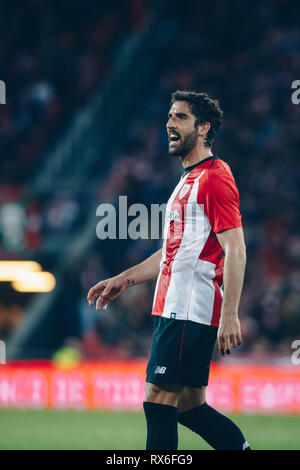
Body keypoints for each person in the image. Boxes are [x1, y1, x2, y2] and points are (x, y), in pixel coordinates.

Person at [87, 90, 251, 450]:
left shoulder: (214, 176)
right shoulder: (186, 182)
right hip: (173, 305)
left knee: (158, 397)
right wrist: (124, 279)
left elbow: (235, 247)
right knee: (190, 407)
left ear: (203, 128)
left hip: (189, 306)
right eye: (169, 117)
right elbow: (172, 253)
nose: (169, 124)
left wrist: (230, 314)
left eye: (180, 117)